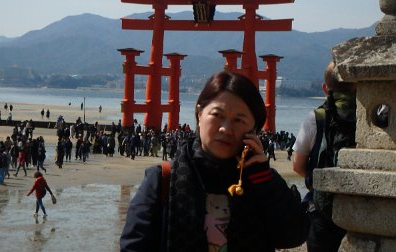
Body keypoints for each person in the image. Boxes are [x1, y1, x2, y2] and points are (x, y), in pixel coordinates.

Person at [120, 71, 308, 252]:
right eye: (217, 115)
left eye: (239, 120)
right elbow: (134, 246)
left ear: (254, 131)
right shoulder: (162, 180)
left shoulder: (261, 181)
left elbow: (293, 236)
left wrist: (265, 180)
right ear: (199, 114)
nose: (226, 129)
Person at [292, 61, 356, 252]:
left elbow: (297, 165)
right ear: (357, 85)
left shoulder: (317, 117)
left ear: (325, 87)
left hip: (322, 207)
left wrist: (318, 181)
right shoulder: (371, 116)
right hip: (359, 202)